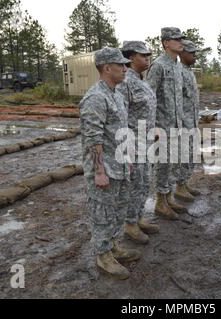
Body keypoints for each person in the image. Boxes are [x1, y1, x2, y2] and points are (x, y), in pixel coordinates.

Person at [79, 47, 139, 280]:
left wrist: (129, 159)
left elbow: (122, 131)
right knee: (102, 212)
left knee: (118, 209)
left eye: (126, 64)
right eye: (121, 65)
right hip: (105, 169)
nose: (126, 68)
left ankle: (113, 247)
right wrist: (99, 171)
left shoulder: (117, 93)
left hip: (121, 165)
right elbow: (92, 139)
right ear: (106, 68)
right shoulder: (96, 98)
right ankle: (103, 255)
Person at [117, 41, 160, 245]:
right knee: (135, 184)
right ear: (130, 58)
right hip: (133, 143)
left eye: (148, 55)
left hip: (146, 141)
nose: (147, 58)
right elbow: (120, 116)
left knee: (144, 183)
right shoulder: (125, 82)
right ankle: (130, 224)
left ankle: (138, 217)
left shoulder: (141, 81)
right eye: (143, 55)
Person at [146, 27, 187, 220]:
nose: (181, 42)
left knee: (172, 163)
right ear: (165, 43)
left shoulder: (178, 65)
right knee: (162, 163)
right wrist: (153, 124)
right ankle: (160, 202)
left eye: (182, 39)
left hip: (176, 125)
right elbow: (149, 97)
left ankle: (168, 196)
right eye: (176, 39)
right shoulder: (158, 66)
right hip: (162, 126)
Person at [175, 39, 202, 202]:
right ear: (182, 54)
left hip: (191, 122)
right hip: (183, 123)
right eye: (192, 53)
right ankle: (179, 187)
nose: (195, 56)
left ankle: (184, 184)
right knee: (183, 156)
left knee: (190, 155)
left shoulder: (189, 72)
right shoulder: (178, 72)